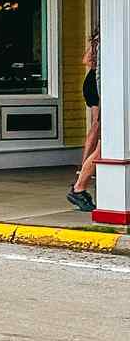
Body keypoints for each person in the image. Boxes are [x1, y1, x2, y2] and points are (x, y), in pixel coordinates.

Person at [67, 31, 100, 212]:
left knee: (97, 129)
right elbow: (86, 60)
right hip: (98, 84)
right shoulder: (104, 41)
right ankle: (81, 181)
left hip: (97, 82)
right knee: (98, 129)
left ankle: (82, 176)